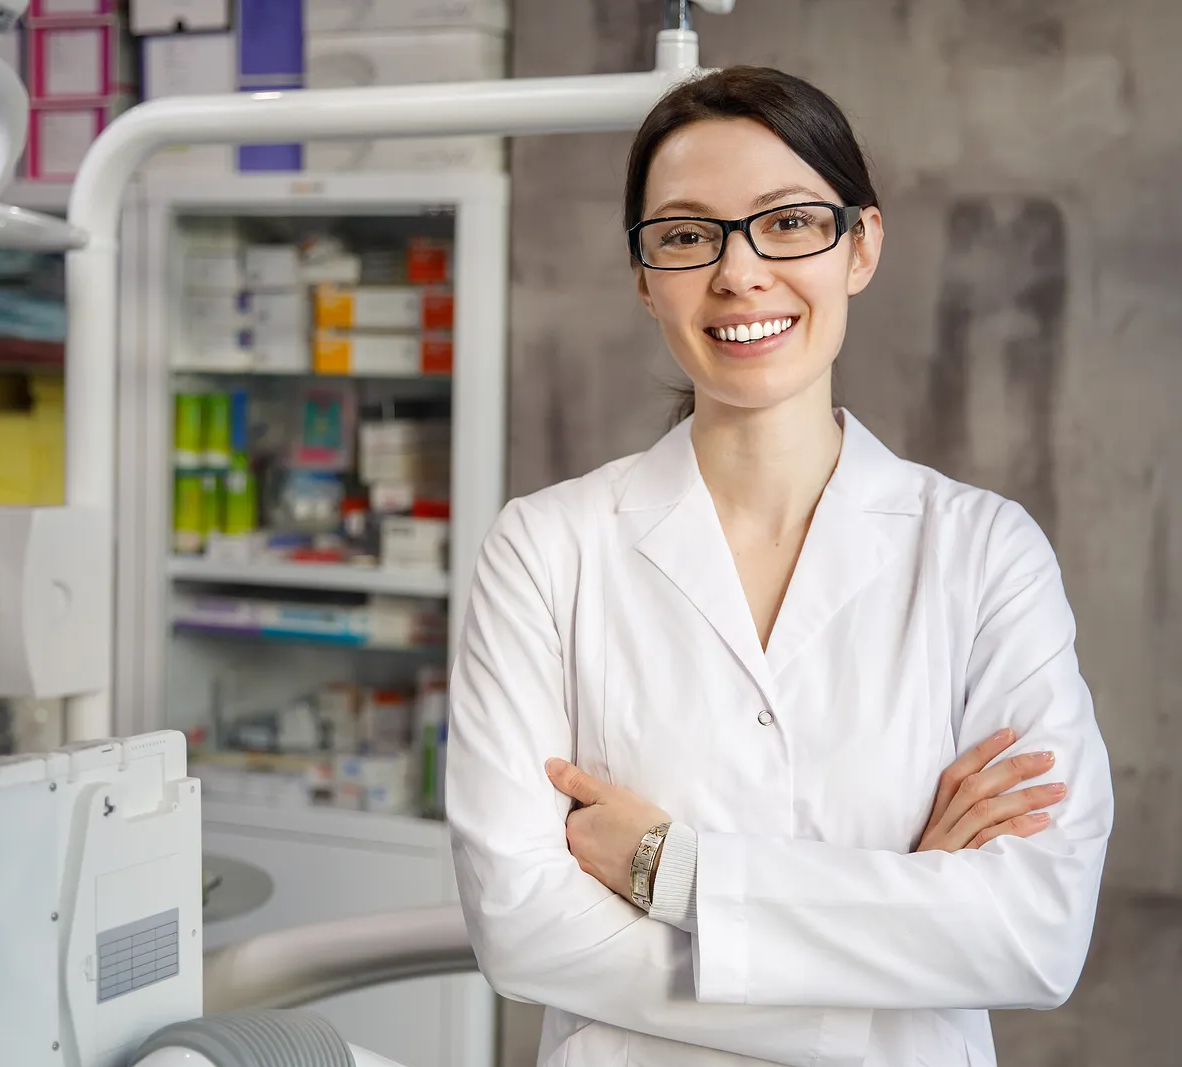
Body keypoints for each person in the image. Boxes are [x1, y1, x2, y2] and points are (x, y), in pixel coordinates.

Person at [446, 66, 1113, 1067]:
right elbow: (522, 925)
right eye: (685, 234)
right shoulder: (546, 547)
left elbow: (1035, 929)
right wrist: (899, 948)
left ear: (860, 246)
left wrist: (670, 870)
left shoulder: (984, 550)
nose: (739, 272)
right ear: (643, 276)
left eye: (788, 222)